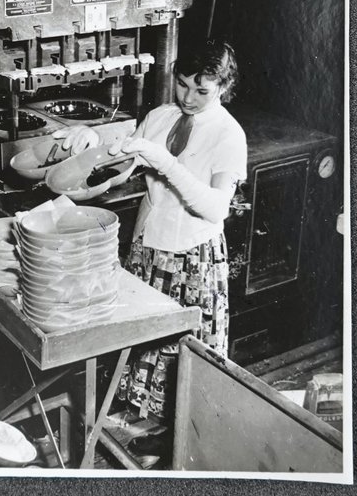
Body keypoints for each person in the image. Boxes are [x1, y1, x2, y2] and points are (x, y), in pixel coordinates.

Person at [53, 39, 247, 426]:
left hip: (191, 259)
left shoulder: (228, 135)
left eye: (201, 90)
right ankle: (138, 431)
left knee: (180, 361)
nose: (188, 98)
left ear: (223, 88)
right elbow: (121, 168)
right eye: (182, 84)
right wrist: (95, 145)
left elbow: (214, 208)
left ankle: (173, 439)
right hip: (147, 250)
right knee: (138, 349)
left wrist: (167, 163)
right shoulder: (161, 117)